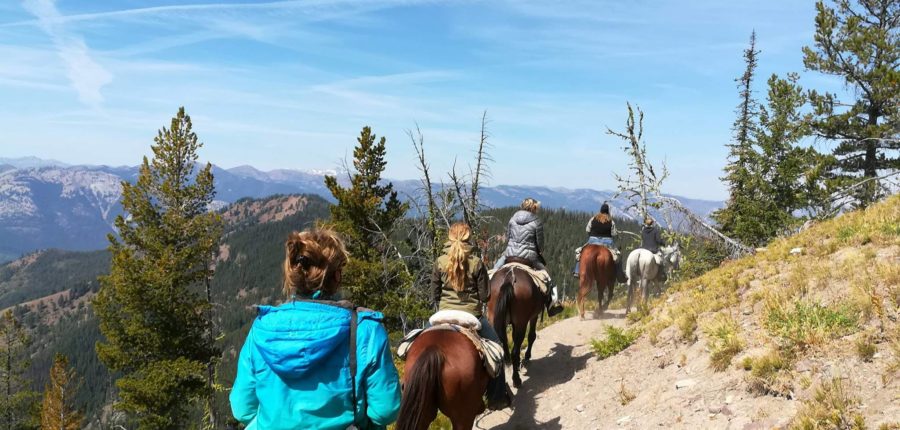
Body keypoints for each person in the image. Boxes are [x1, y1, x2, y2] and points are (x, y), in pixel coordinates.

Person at [230, 228, 400, 430]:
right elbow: (385, 410)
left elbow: (242, 409)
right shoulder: (366, 331)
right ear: (336, 276)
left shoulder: (261, 330)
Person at [431, 222, 512, 410]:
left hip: (443, 314)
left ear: (450, 237)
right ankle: (497, 397)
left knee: (414, 345)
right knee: (497, 350)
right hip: (471, 315)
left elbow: (435, 294)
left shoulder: (439, 261)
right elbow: (485, 296)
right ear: (468, 237)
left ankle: (407, 385)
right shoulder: (476, 262)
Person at [492, 197, 564, 316]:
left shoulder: (512, 219)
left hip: (509, 255)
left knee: (494, 271)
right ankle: (552, 305)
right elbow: (540, 246)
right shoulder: (537, 222)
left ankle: (484, 302)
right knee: (548, 278)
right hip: (529, 258)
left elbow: (508, 238)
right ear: (534, 208)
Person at [573, 202, 619, 277]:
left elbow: (587, 230)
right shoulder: (611, 221)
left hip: (593, 240)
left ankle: (577, 271)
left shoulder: (593, 218)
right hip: (607, 241)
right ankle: (618, 274)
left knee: (581, 253)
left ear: (600, 210)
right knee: (616, 255)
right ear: (608, 211)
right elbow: (614, 233)